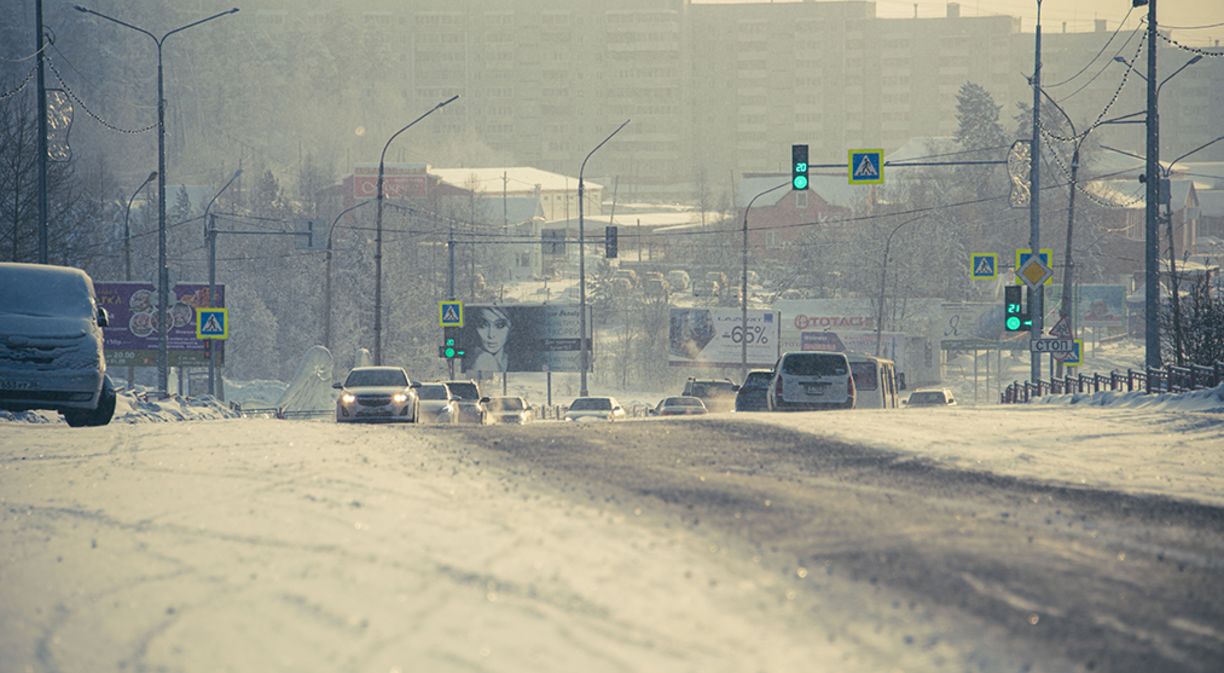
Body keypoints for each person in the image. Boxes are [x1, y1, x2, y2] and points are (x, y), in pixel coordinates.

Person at [466, 306, 512, 373]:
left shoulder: (513, 360)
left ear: (510, 328)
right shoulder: (483, 360)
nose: (491, 335)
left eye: (500, 325)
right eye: (483, 325)